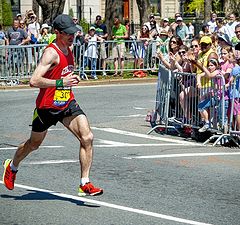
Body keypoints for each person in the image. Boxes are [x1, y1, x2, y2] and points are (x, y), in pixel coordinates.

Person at [2, 14, 103, 197]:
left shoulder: (69, 49)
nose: (72, 36)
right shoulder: (51, 52)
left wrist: (70, 80)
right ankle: (12, 166)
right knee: (33, 144)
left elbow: (64, 75)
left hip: (66, 103)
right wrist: (60, 82)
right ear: (57, 33)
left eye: (74, 32)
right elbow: (34, 80)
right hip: (46, 107)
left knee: (87, 137)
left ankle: (84, 183)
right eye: (68, 33)